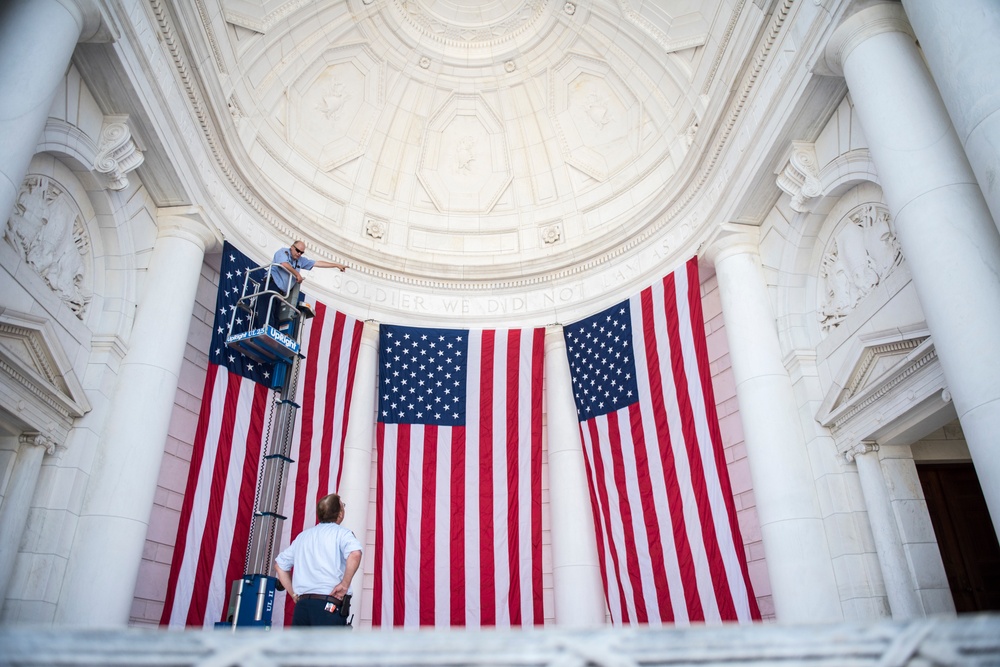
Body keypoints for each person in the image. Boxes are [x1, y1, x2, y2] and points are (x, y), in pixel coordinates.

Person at [274, 493, 362, 627]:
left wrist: (293, 593)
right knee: (327, 647)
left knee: (301, 648)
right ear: (339, 514)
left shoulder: (302, 537)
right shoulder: (342, 534)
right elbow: (355, 554)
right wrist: (344, 584)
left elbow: (280, 566)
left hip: (302, 606)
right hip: (328, 606)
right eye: (342, 506)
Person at [263, 240, 346, 329]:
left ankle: (271, 333)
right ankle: (264, 330)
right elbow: (284, 264)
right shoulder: (283, 252)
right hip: (272, 284)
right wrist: (297, 274)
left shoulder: (301, 261)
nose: (299, 254)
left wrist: (336, 265)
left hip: (281, 292)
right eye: (297, 250)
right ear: (292, 247)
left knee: (275, 315)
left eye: (301, 252)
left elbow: (317, 263)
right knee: (266, 310)